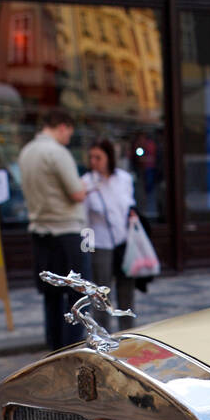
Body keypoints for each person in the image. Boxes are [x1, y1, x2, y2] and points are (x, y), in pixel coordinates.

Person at [18, 108, 87, 350]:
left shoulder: (26, 152)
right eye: (69, 132)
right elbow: (76, 193)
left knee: (51, 295)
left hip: (40, 232)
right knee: (77, 296)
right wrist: (87, 186)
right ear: (62, 127)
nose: (69, 138)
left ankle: (55, 347)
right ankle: (73, 348)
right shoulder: (57, 152)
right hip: (66, 231)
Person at [81, 138, 137, 330]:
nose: (94, 162)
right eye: (91, 158)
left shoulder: (124, 179)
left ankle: (128, 331)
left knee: (126, 291)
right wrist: (86, 249)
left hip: (123, 241)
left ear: (109, 158)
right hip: (99, 244)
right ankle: (103, 334)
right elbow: (84, 220)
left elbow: (129, 205)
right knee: (101, 293)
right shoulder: (87, 183)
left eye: (99, 157)